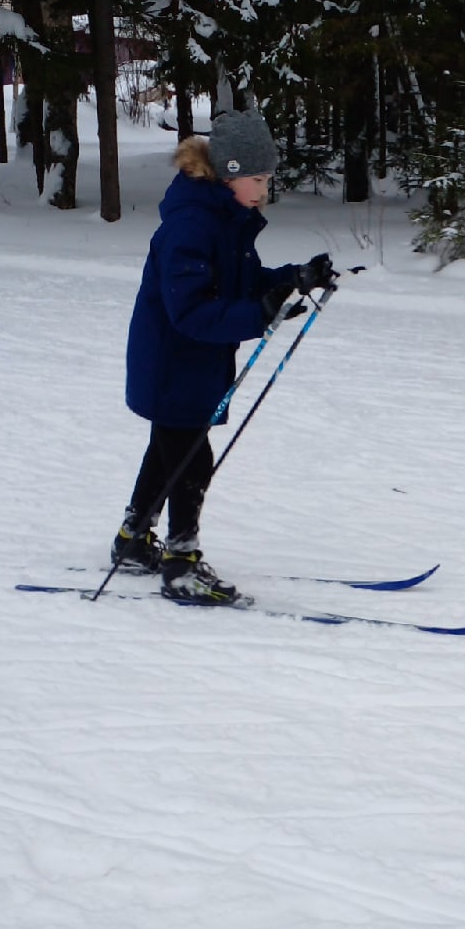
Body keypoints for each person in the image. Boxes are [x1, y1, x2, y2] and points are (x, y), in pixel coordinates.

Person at [111, 109, 333, 604]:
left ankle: (132, 540)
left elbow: (237, 282)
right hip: (173, 361)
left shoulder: (224, 218)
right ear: (229, 172)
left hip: (193, 362)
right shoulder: (192, 225)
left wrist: (291, 279)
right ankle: (181, 563)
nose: (263, 190)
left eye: (268, 179)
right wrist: (258, 315)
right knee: (190, 458)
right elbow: (190, 309)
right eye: (257, 179)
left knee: (170, 452)